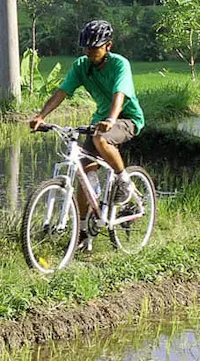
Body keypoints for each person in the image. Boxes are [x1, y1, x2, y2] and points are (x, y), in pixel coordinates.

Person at [29, 20, 145, 245]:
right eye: (86, 47)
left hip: (126, 119)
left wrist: (111, 119)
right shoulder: (81, 66)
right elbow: (62, 92)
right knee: (84, 174)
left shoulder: (120, 64)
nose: (89, 51)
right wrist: (41, 116)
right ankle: (83, 232)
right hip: (100, 121)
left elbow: (120, 94)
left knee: (101, 139)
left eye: (95, 47)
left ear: (108, 46)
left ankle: (123, 180)